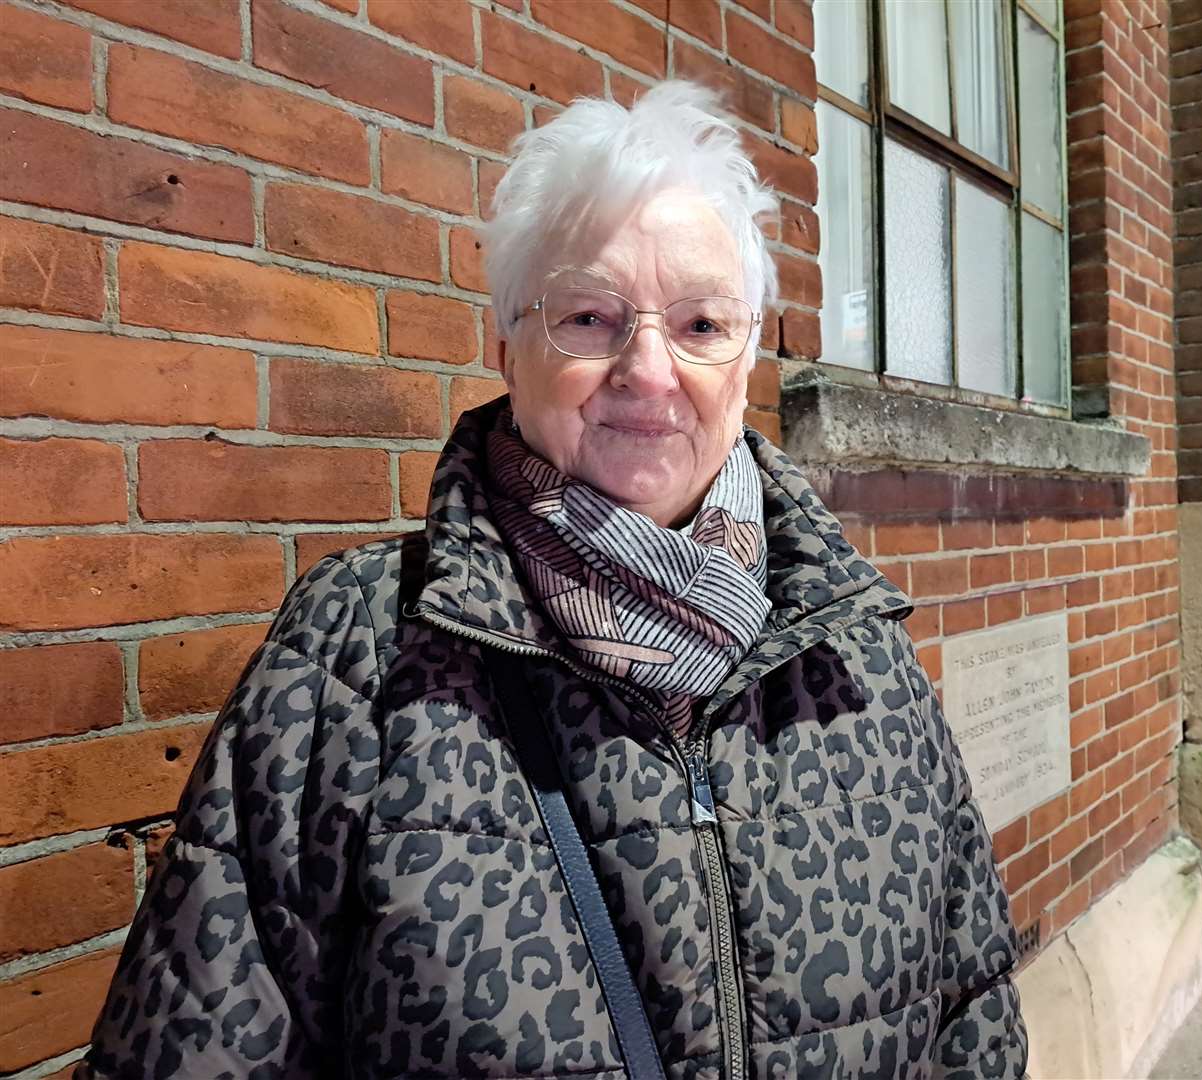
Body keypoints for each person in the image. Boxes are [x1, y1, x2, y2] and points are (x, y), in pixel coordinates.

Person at [79, 81, 1026, 1079]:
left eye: (702, 324)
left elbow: (971, 1009)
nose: (650, 370)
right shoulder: (358, 652)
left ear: (745, 361)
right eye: (590, 316)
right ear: (508, 350)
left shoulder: (855, 643)